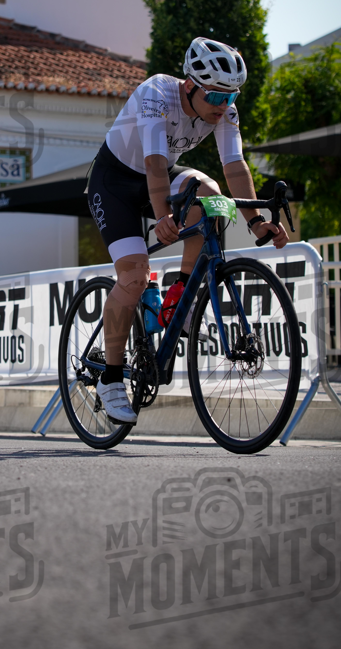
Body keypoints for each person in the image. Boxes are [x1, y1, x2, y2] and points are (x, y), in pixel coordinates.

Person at [87, 37, 289, 425]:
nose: (223, 107)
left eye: (230, 98)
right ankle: (111, 379)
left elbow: (234, 166)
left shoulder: (224, 109)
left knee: (211, 195)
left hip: (158, 176)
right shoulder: (157, 95)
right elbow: (154, 161)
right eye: (215, 97)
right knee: (132, 276)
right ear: (190, 85)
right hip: (115, 183)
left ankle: (180, 290)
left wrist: (256, 222)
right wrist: (164, 215)